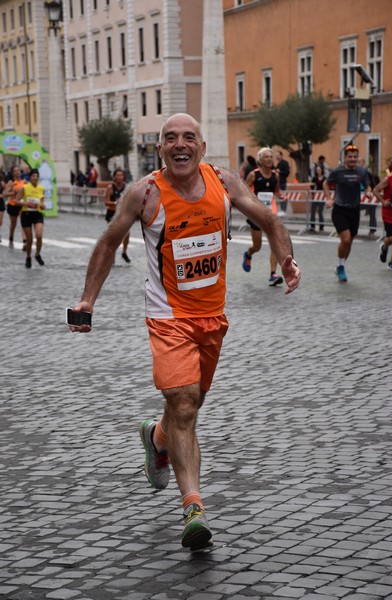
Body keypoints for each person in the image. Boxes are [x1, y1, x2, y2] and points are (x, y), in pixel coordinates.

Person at [69, 113, 301, 551]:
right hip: (167, 317)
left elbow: (270, 221)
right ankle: (193, 507)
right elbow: (107, 242)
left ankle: (155, 438)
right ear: (160, 148)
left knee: (185, 409)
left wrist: (285, 259)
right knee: (185, 402)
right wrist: (87, 300)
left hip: (212, 317)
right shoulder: (145, 194)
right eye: (170, 138)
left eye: (188, 137)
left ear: (201, 145)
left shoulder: (225, 183)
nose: (180, 144)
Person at [323, 144, 372, 282]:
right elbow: (326, 184)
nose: (352, 159)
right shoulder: (338, 172)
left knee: (349, 242)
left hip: (354, 211)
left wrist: (368, 192)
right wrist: (329, 199)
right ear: (345, 158)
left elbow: (368, 185)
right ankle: (340, 267)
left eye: (355, 157)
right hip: (339, 209)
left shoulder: (362, 172)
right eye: (350, 157)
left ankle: (341, 265)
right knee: (345, 239)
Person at [242, 147, 285, 286]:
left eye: (271, 157)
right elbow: (243, 190)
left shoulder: (275, 175)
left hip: (270, 214)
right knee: (257, 246)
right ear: (260, 160)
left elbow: (276, 190)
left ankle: (273, 274)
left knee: (275, 243)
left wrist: (281, 195)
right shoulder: (253, 175)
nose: (269, 159)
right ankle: (249, 254)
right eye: (266, 157)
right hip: (256, 214)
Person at [373, 160, 392, 271]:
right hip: (389, 214)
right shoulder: (389, 180)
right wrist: (383, 202)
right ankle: (384, 247)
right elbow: (375, 190)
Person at [15, 168, 46, 268]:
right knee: (29, 239)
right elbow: (16, 201)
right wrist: (25, 203)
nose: (35, 178)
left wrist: (42, 205)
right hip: (26, 214)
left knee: (39, 235)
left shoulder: (42, 188)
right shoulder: (25, 188)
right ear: (30, 177)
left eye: (37, 176)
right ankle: (28, 257)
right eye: (33, 176)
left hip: (37, 214)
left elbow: (42, 202)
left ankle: (37, 254)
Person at [105, 168, 130, 263]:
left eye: (121, 175)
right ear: (114, 177)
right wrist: (115, 203)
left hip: (123, 213)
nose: (120, 177)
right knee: (114, 236)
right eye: (118, 175)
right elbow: (106, 202)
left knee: (127, 234)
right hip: (112, 214)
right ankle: (112, 255)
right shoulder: (110, 187)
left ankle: (124, 252)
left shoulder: (127, 187)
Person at [4, 165, 26, 248]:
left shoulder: (24, 181)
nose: (17, 172)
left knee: (24, 223)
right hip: (13, 205)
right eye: (15, 171)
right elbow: (5, 194)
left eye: (18, 170)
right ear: (13, 173)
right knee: (13, 224)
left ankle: (25, 242)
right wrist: (13, 193)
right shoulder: (11, 182)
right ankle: (11, 238)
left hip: (21, 204)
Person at [309, 164, 326, 232]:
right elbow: (312, 186)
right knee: (312, 211)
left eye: (319, 170)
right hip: (315, 197)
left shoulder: (325, 178)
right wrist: (313, 190)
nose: (318, 171)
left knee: (320, 211)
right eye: (317, 170)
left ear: (322, 170)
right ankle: (312, 226)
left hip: (322, 197)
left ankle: (321, 226)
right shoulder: (314, 178)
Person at [274, 150, 290, 216]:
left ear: (281, 155)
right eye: (276, 155)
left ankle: (284, 210)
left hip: (283, 182)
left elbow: (287, 172)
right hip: (278, 182)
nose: (276, 156)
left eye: (277, 155)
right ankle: (281, 210)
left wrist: (279, 172)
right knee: (279, 196)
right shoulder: (278, 164)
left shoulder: (285, 163)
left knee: (283, 195)